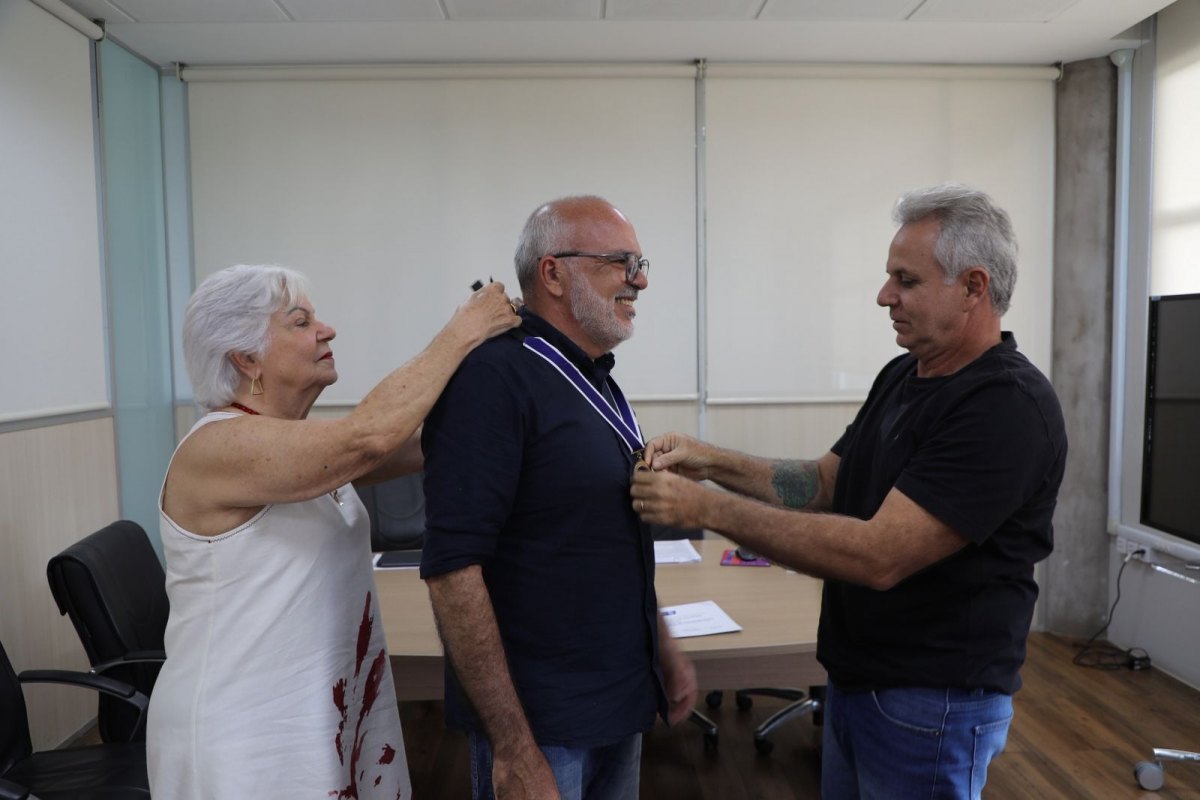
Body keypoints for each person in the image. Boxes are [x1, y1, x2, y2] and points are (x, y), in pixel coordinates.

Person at [631, 184, 1068, 800]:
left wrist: (706, 508)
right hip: (857, 681)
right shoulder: (905, 374)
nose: (884, 295)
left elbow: (880, 555)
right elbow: (823, 483)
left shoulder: (1005, 407)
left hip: (932, 701)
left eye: (906, 280)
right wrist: (711, 462)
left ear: (973, 287)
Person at [147, 264, 521, 799]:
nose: (326, 330)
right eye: (300, 322)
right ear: (246, 358)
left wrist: (496, 360)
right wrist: (462, 332)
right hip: (245, 734)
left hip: (320, 709)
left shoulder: (297, 448)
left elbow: (426, 440)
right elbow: (368, 436)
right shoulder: (216, 447)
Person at [420, 196, 697, 800]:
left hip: (615, 701)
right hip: (541, 725)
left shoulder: (595, 375)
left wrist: (661, 647)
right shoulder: (493, 378)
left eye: (641, 262)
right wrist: (514, 749)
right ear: (553, 273)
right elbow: (452, 571)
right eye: (621, 263)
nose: (641, 280)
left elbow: (604, 536)